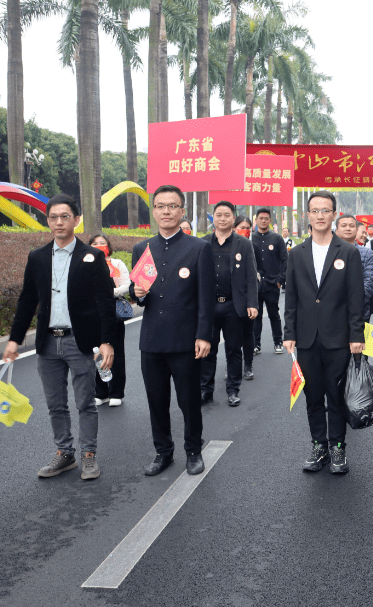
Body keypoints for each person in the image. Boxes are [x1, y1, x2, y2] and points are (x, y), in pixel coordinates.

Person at [3, 193, 116, 480]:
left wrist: (106, 341)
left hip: (79, 341)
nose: (59, 222)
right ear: (48, 221)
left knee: (85, 402)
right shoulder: (38, 257)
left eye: (65, 216)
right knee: (55, 404)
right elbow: (27, 301)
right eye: (53, 217)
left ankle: (88, 454)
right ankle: (64, 453)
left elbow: (105, 301)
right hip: (47, 344)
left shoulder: (92, 257)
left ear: (77, 220)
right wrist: (14, 340)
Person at [131, 185, 215, 477]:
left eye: (172, 206)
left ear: (182, 211)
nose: (166, 211)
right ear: (153, 211)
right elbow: (138, 293)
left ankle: (193, 451)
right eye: (160, 206)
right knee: (156, 401)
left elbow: (206, 297)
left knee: (189, 400)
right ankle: (163, 452)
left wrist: (204, 335)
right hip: (151, 339)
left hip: (186, 340)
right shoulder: (142, 249)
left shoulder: (199, 248)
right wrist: (136, 292)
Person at [283, 190, 365, 474]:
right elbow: (291, 297)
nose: (320, 215)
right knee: (313, 396)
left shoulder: (349, 252)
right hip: (306, 339)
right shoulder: (296, 253)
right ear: (308, 215)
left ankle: (338, 448)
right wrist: (288, 332)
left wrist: (357, 336)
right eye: (315, 210)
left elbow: (356, 299)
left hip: (339, 338)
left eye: (325, 210)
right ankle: (319, 445)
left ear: (334, 214)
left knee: (336, 395)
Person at [200, 201, 259, 408]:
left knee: (234, 350)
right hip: (209, 306)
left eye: (227, 215)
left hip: (234, 306)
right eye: (219, 215)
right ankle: (205, 390)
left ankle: (233, 390)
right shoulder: (203, 243)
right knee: (208, 349)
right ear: (213, 218)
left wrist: (252, 303)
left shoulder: (244, 244)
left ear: (233, 218)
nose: (223, 218)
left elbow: (251, 276)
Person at [89, 233, 130, 407]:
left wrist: (109, 293)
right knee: (96, 352)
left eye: (102, 243)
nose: (99, 246)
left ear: (108, 246)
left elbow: (127, 284)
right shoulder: (85, 264)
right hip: (92, 314)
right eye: (95, 243)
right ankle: (101, 392)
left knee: (115, 352)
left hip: (112, 312)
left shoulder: (117, 264)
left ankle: (116, 392)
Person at [251, 207, 287, 355]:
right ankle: (256, 344)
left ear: (270, 221)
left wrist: (280, 280)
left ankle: (278, 342)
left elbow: (285, 261)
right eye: (261, 218)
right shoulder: (250, 238)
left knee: (274, 314)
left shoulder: (277, 238)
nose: (264, 221)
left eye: (266, 218)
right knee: (256, 315)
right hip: (256, 284)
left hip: (273, 284)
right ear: (257, 220)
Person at [336, 215, 373, 322]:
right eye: (344, 226)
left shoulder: (367, 253)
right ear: (336, 231)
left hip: (359, 312)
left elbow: (370, 281)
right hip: (333, 312)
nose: (348, 228)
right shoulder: (329, 253)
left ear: (356, 230)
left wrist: (354, 302)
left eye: (351, 226)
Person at [234, 216, 257, 380]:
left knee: (247, 334)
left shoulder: (251, 245)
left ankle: (248, 365)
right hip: (231, 300)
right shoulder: (228, 245)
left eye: (248, 227)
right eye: (242, 227)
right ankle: (232, 366)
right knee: (232, 337)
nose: (245, 230)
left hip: (248, 297)